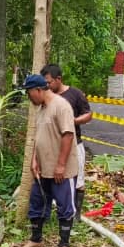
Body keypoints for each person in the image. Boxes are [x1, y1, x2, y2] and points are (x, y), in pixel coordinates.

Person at [21, 72, 78, 247]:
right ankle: (35, 239)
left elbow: (68, 135)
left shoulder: (61, 106)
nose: (28, 97)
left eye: (28, 93)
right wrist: (34, 160)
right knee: (37, 202)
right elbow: (39, 138)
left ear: (38, 90)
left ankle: (64, 245)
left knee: (64, 206)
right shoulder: (41, 109)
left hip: (61, 170)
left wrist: (61, 165)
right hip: (43, 169)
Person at [41, 63, 92, 213]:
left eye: (49, 83)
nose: (47, 86)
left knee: (78, 179)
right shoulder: (46, 96)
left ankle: (76, 214)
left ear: (59, 79)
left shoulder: (75, 94)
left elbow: (88, 114)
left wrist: (73, 121)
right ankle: (56, 209)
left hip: (74, 144)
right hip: (52, 146)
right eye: (45, 84)